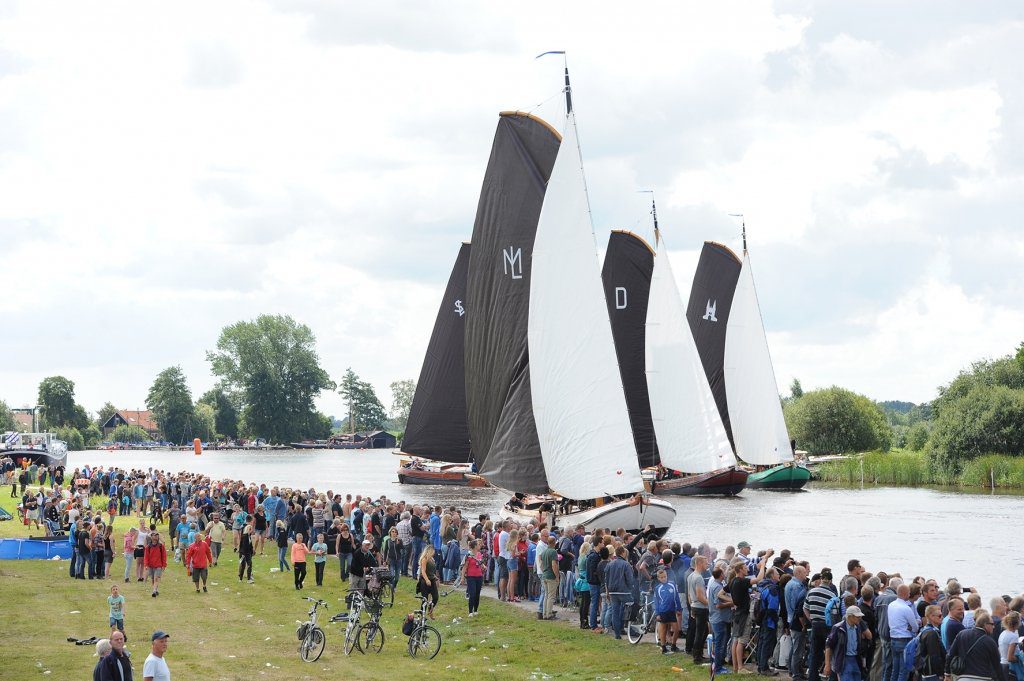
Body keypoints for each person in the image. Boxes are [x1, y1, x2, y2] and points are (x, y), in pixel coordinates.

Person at [945, 611, 1005, 681]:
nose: (994, 627)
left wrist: (947, 673)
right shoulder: (990, 641)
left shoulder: (962, 634)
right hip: (983, 677)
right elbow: (997, 665)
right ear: (985, 624)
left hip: (963, 677)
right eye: (992, 624)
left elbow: (950, 654)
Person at [824, 605, 870, 681]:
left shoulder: (857, 627)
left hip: (856, 659)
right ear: (850, 616)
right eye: (857, 616)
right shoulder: (838, 628)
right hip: (843, 660)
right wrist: (827, 664)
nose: (860, 619)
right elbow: (829, 646)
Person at [888, 583, 919, 681]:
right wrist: (910, 626)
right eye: (909, 593)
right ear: (906, 594)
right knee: (903, 671)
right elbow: (915, 627)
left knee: (895, 670)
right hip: (904, 640)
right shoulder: (906, 608)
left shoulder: (891, 605)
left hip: (893, 639)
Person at [655, 567, 683, 655]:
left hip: (672, 611)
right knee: (663, 630)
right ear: (658, 579)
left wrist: (679, 608)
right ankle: (663, 647)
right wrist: (657, 613)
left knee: (676, 629)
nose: (664, 578)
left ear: (667, 576)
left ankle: (673, 645)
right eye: (662, 577)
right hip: (663, 612)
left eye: (665, 576)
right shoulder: (658, 588)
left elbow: (676, 597)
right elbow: (656, 602)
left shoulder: (672, 585)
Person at [688, 554, 711, 663]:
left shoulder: (691, 576)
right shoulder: (698, 577)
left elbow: (689, 594)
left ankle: (698, 653)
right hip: (700, 607)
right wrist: (710, 605)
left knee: (703, 631)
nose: (708, 565)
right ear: (700, 563)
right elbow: (700, 596)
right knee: (701, 632)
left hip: (694, 606)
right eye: (706, 563)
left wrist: (692, 606)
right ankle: (697, 656)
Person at [918, 605, 946, 681]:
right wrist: (940, 673)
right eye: (939, 616)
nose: (942, 617)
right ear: (931, 617)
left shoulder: (925, 630)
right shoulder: (931, 634)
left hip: (927, 672)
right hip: (932, 673)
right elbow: (934, 655)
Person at [459, 539, 485, 617]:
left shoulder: (480, 554)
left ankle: (476, 610)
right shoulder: (468, 556)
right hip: (471, 577)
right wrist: (462, 578)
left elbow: (481, 564)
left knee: (477, 594)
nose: (479, 545)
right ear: (474, 546)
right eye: (478, 544)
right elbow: (464, 567)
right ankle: (470, 611)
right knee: (472, 594)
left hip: (479, 576)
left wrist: (483, 566)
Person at [539, 535, 560, 621]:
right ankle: (549, 614)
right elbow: (554, 565)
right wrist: (557, 576)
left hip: (544, 575)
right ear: (554, 543)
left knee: (546, 596)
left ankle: (544, 614)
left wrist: (544, 570)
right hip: (551, 576)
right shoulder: (553, 552)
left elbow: (540, 563)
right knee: (551, 596)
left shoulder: (544, 552)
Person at [417, 544, 439, 618]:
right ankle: (422, 616)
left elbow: (432, 571)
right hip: (425, 580)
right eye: (433, 551)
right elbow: (423, 571)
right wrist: (426, 580)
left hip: (432, 579)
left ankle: (430, 610)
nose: (434, 552)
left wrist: (435, 577)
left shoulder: (432, 559)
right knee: (425, 599)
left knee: (435, 597)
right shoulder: (424, 559)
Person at [143, 531, 166, 598]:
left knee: (156, 578)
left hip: (158, 565)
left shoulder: (161, 546)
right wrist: (146, 565)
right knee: (153, 579)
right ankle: (156, 589)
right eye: (154, 535)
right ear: (151, 537)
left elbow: (164, 556)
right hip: (150, 566)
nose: (155, 536)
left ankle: (154, 591)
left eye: (156, 535)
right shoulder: (148, 547)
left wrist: (164, 565)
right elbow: (146, 557)